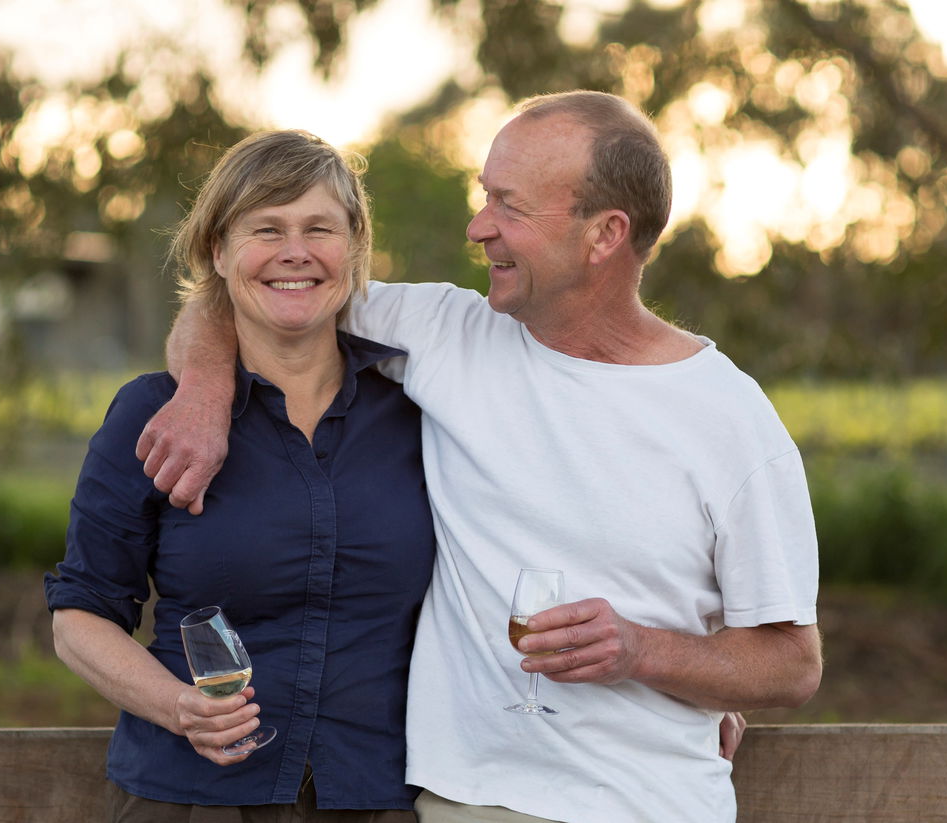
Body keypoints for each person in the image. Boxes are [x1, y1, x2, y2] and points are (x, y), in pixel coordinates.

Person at [139, 91, 823, 823]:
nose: (478, 226)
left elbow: (790, 661)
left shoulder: (728, 417)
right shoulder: (443, 335)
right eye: (483, 196)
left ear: (605, 234)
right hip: (466, 802)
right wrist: (206, 395)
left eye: (510, 206)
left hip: (651, 805)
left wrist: (644, 651)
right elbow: (252, 289)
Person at [44, 129, 433, 821]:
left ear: (354, 248)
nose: (296, 251)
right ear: (218, 252)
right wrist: (180, 707)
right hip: (192, 798)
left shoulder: (420, 411)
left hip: (377, 795)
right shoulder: (152, 413)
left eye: (321, 228)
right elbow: (80, 616)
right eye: (266, 229)